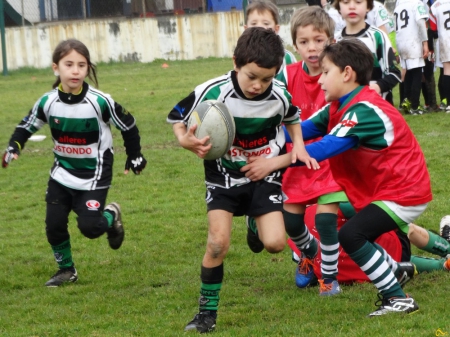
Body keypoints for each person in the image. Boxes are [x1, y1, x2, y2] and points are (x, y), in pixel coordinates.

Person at [167, 27, 318, 333]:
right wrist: (186, 141)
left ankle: (254, 219)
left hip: (266, 173)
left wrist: (298, 146)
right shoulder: (212, 91)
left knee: (275, 244)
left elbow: (293, 116)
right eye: (252, 76)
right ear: (236, 62)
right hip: (223, 175)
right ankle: (206, 314)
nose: (258, 85)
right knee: (217, 244)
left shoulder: (278, 95)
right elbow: (177, 119)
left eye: (267, 78)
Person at [2, 39, 147, 287]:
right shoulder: (47, 102)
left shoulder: (100, 101)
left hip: (94, 175)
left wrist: (134, 155)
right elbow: (26, 126)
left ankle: (111, 215)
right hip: (61, 174)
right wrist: (14, 147)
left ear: (87, 68)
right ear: (56, 68)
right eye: (69, 64)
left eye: (81, 65)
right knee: (54, 225)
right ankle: (66, 270)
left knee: (91, 228)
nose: (76, 70)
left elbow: (128, 124)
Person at [281, 6, 348, 296]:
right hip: (296, 158)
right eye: (305, 42)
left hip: (329, 158)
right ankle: (310, 253)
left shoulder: (338, 77)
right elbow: (276, 114)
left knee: (325, 218)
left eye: (319, 40)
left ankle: (329, 280)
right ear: (294, 45)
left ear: (331, 41)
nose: (312, 48)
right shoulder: (286, 75)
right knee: (291, 220)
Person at [289, 203, 450, 283]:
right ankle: (446, 248)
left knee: (388, 260)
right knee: (403, 226)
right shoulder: (332, 205)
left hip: (373, 267)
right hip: (389, 245)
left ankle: (442, 265)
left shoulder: (298, 223)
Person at [334, 0, 401, 105]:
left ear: (368, 6)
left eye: (358, 2)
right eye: (346, 2)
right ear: (339, 7)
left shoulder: (378, 37)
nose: (352, 6)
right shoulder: (335, 40)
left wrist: (378, 87)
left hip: (377, 108)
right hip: (345, 109)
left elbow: (395, 73)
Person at [244, 0, 297, 84]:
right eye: (254, 23)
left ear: (276, 29)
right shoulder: (242, 55)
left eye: (266, 23)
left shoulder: (287, 58)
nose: (259, 27)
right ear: (246, 28)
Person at [394, 0, 429, 115]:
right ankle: (415, 105)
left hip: (400, 41)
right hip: (412, 40)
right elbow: (420, 23)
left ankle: (406, 101)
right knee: (417, 73)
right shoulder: (416, 3)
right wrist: (425, 43)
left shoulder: (398, 5)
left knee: (408, 73)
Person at [429, 0, 450, 112]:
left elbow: (433, 28)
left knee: (447, 70)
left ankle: (448, 104)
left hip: (444, 40)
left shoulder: (434, 6)